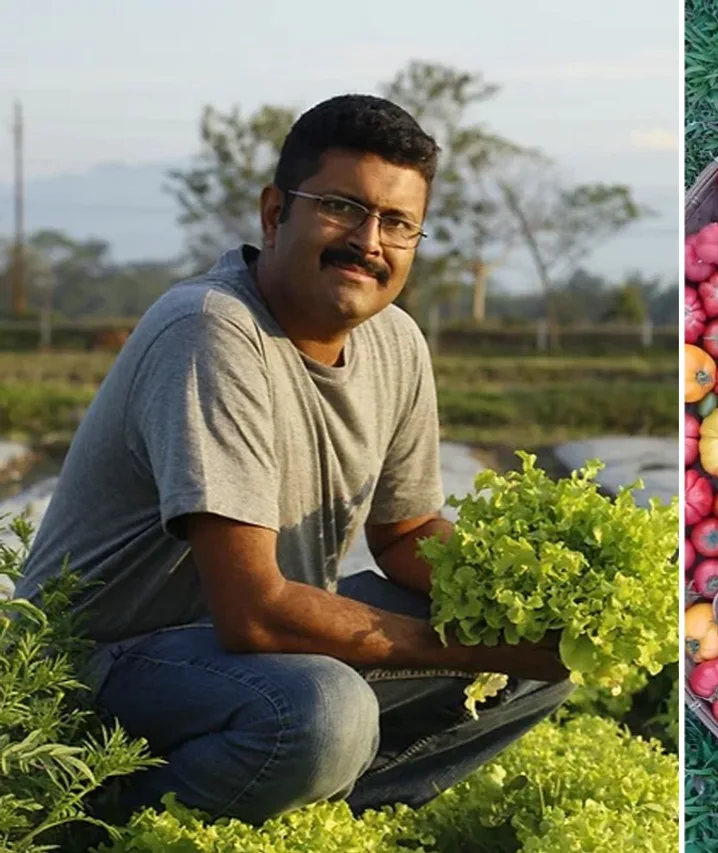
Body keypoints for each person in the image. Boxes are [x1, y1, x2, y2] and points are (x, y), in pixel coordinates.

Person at [14, 93, 573, 826]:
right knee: (323, 713)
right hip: (108, 666)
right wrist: (466, 647)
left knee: (542, 659)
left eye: (398, 223)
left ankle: (318, 817)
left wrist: (529, 603)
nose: (370, 241)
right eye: (343, 207)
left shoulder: (397, 343)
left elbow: (404, 533)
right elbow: (253, 612)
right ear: (275, 213)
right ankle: (104, 824)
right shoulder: (212, 330)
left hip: (243, 659)